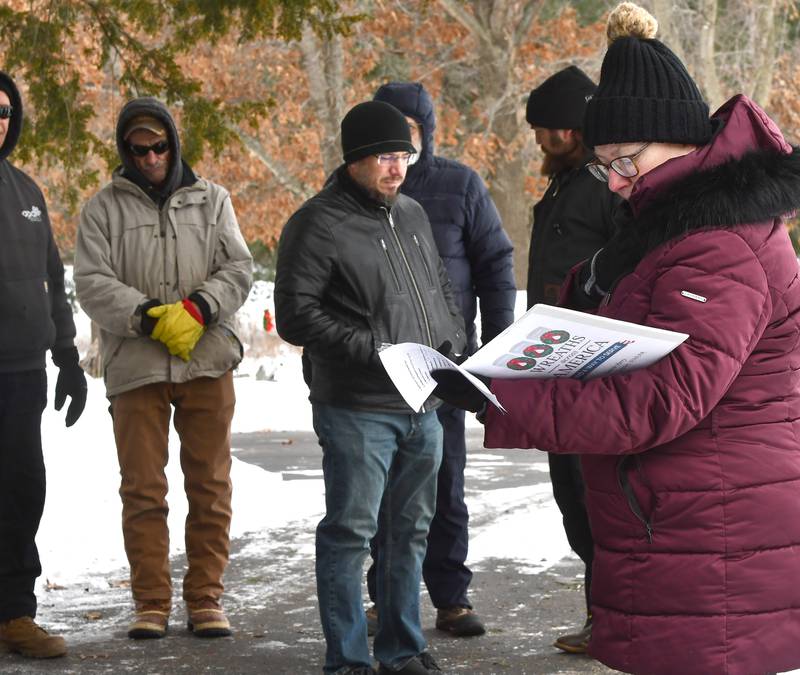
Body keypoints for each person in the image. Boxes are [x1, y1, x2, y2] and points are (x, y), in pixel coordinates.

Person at [431, 2, 800, 674]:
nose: (620, 184)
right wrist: (591, 285)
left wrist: (500, 399)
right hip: (685, 526)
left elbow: (659, 397)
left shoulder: (718, 247)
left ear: (681, 141)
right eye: (606, 168)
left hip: (710, 536)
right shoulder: (674, 227)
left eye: (626, 162)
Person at [275, 100, 467, 675]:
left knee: (409, 533)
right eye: (386, 157)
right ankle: (349, 659)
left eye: (404, 155)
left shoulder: (410, 213)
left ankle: (403, 649)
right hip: (357, 406)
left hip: (423, 401)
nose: (398, 168)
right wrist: (377, 352)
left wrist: (453, 340)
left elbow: (441, 288)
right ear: (355, 159)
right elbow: (297, 317)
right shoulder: (317, 223)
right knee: (351, 533)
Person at [74, 98, 252, 641]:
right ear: (124, 150)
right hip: (136, 367)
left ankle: (205, 599)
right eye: (137, 147)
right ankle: (151, 603)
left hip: (207, 361)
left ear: (174, 144)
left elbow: (239, 267)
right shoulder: (101, 209)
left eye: (158, 145)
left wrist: (200, 308)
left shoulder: (213, 199)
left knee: (210, 485)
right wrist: (148, 317)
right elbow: (91, 281)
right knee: (144, 491)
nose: (149, 156)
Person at [367, 81, 516, 638]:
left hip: (445, 367)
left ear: (426, 132)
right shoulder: (363, 191)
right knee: (384, 491)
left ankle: (452, 597)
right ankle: (386, 596)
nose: (399, 149)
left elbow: (496, 264)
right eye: (390, 131)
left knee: (445, 484)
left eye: (410, 131)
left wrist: (496, 349)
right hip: (380, 368)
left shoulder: (461, 186)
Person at [524, 66, 620, 653]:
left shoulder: (604, 186)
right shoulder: (561, 184)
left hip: (592, 362)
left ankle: (609, 619)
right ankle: (601, 615)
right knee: (571, 497)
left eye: (551, 130)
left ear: (577, 129)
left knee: (593, 498)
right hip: (553, 361)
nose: (541, 140)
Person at [0, 70, 87, 660]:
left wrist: (67, 355)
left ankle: (13, 614)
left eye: (4, 111)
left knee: (22, 490)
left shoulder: (26, 192)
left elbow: (52, 280)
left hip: (21, 371)